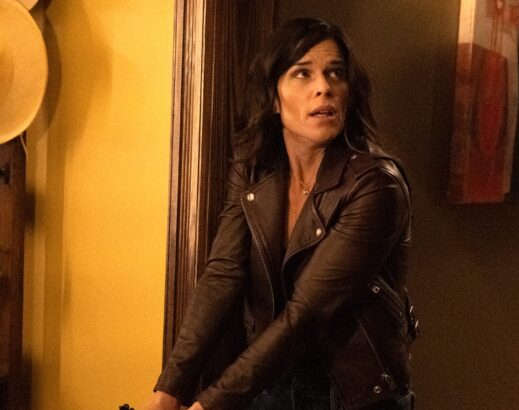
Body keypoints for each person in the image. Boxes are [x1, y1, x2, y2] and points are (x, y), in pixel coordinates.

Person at [146, 17, 418, 410]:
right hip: (272, 385)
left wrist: (208, 405)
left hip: (354, 396)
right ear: (274, 98)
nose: (323, 87)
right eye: (303, 73)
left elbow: (307, 314)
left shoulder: (376, 185)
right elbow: (222, 275)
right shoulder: (254, 166)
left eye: (335, 73)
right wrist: (168, 392)